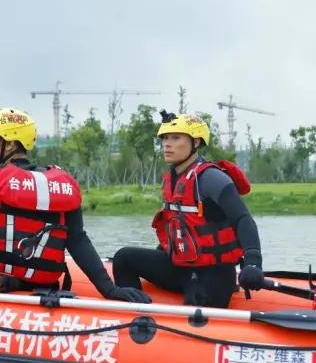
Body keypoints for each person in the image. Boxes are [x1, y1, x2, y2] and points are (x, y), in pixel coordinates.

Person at [0, 105, 148, 302]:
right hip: (42, 292)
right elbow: (77, 241)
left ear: (8, 144)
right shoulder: (61, 188)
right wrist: (110, 289)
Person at [111, 111, 264, 308]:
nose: (167, 144)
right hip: (180, 266)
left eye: (176, 138)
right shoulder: (173, 177)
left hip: (213, 272)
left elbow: (243, 219)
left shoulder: (211, 178)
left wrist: (253, 263)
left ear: (196, 142)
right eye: (165, 138)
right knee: (124, 258)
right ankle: (137, 319)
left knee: (196, 302)